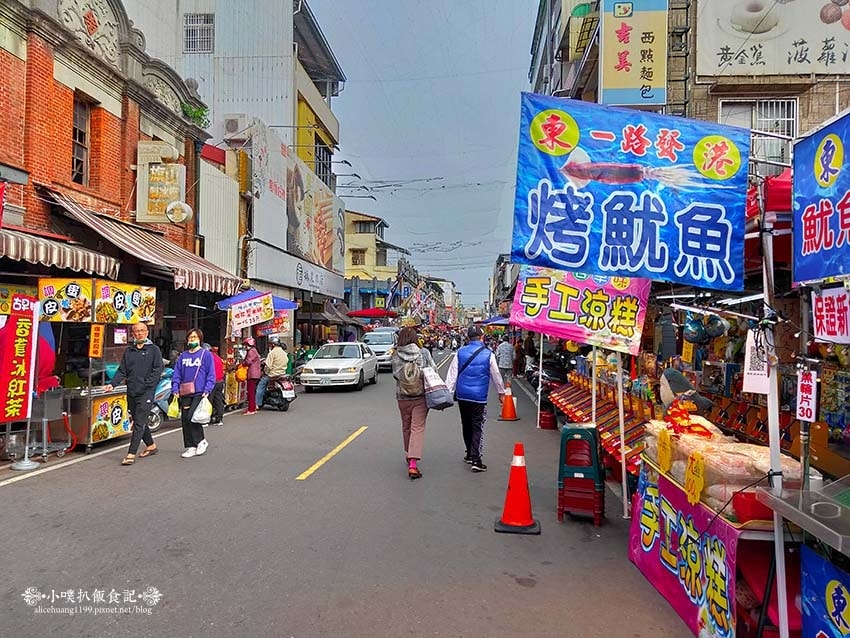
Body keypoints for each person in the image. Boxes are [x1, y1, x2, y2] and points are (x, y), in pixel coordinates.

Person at [446, 325, 505, 473]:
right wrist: (501, 392)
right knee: (477, 425)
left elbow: (452, 374)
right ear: (482, 337)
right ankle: (476, 459)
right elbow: (496, 375)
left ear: (468, 338)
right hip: (479, 396)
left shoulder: (460, 352)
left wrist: (448, 392)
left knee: (466, 423)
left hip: (462, 395)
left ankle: (468, 452)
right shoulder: (488, 354)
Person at [107, 322, 163, 466]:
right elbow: (122, 371)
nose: (139, 333)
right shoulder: (129, 351)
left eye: (142, 331)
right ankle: (151, 446)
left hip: (146, 392)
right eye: (136, 331)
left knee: (138, 422)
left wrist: (146, 384)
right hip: (131, 391)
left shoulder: (154, 350)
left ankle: (131, 453)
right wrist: (112, 384)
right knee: (140, 420)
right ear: (132, 334)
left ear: (147, 332)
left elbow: (157, 370)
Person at [391, 327, 436, 480]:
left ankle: (409, 453)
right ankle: (413, 464)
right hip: (420, 396)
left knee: (406, 425)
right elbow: (433, 370)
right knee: (417, 428)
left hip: (402, 396)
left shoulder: (396, 354)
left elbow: (396, 375)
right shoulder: (423, 353)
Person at [171, 328, 216, 458]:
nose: (192, 340)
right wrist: (175, 388)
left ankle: (201, 441)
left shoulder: (205, 355)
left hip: (199, 392)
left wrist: (207, 389)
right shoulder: (183, 356)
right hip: (185, 392)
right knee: (185, 419)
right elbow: (177, 373)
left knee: (193, 417)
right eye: (190, 337)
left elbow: (211, 374)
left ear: (200, 339)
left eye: (195, 337)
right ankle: (190, 446)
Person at [256, 337, 289, 408]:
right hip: (282, 373)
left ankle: (257, 404)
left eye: (270, 344)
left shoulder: (272, 353)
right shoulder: (284, 353)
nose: (269, 346)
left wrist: (265, 372)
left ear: (273, 344)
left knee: (261, 385)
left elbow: (268, 366)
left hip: (273, 374)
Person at [204, 343, 225, 426]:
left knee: (207, 401)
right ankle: (219, 419)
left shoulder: (206, 358)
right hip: (220, 381)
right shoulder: (218, 357)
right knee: (218, 400)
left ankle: (205, 420)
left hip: (211, 382)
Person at [242, 336, 262, 415]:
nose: (245, 346)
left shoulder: (251, 351)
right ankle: (252, 407)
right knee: (251, 392)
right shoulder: (254, 350)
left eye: (245, 345)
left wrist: (242, 363)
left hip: (252, 374)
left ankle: (251, 409)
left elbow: (248, 361)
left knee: (251, 392)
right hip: (254, 374)